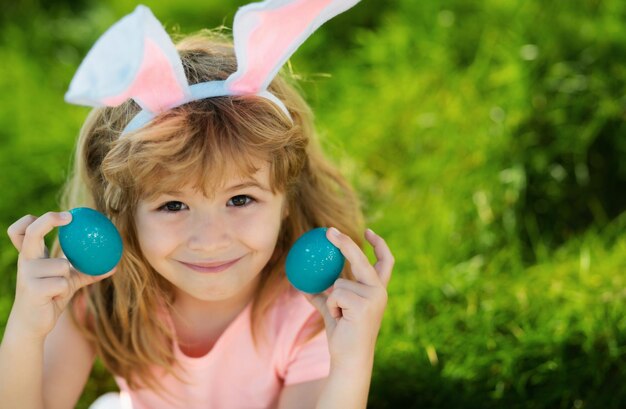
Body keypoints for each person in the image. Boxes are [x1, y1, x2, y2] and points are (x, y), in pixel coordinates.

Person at [0, 2, 394, 408]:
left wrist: (351, 360)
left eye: (240, 199)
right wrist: (27, 331)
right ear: (124, 214)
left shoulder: (306, 316)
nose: (209, 240)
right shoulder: (103, 297)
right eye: (173, 205)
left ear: (287, 200)